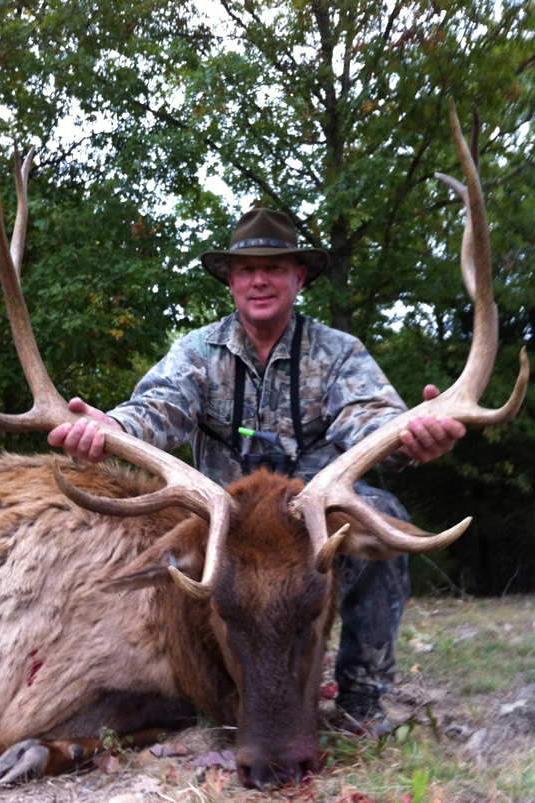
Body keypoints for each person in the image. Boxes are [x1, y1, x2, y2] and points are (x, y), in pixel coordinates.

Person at [48, 208, 465, 733]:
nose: (259, 279)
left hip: (307, 536)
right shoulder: (198, 353)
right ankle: (211, 691)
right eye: (246, 269)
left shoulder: (338, 353)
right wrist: (111, 428)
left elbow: (372, 420)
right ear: (231, 281)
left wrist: (410, 437)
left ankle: (362, 698)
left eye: (275, 267)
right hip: (228, 536)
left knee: (380, 513)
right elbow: (157, 409)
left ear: (298, 277)